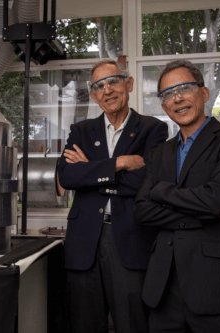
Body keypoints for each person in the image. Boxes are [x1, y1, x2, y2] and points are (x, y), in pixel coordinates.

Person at [134, 60, 220, 333]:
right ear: (163, 105)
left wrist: (161, 192)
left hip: (216, 283)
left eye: (184, 88)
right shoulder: (158, 154)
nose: (177, 98)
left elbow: (217, 200)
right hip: (164, 287)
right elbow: (143, 212)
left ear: (204, 93)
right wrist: (208, 210)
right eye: (168, 94)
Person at [57, 59, 168, 333]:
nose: (106, 90)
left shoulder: (153, 129)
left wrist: (90, 172)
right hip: (84, 243)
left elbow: (146, 182)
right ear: (94, 95)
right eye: (98, 86)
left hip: (130, 239)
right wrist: (119, 164)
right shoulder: (81, 131)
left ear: (128, 84)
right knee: (85, 324)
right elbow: (67, 177)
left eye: (113, 82)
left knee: (132, 323)